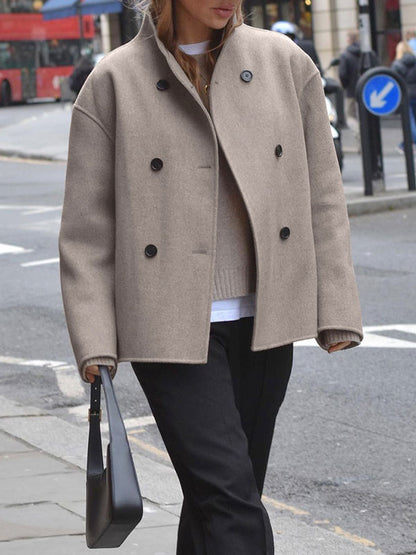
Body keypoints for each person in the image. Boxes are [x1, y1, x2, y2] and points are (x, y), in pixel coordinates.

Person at [58, 1, 363, 553]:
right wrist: (95, 339)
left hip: (266, 318)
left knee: (219, 499)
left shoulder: (284, 62)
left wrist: (336, 306)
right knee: (231, 502)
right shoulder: (114, 81)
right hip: (166, 323)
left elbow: (324, 193)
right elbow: (87, 229)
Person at [391, 40, 416, 153]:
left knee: (409, 121)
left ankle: (408, 144)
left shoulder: (397, 64)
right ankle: (405, 144)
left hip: (405, 96)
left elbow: (393, 82)